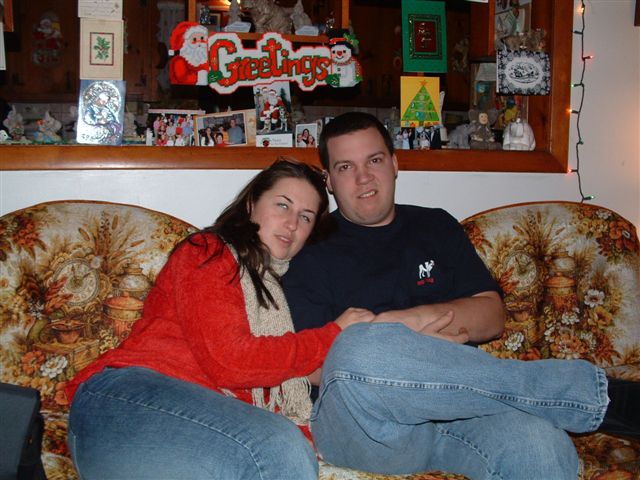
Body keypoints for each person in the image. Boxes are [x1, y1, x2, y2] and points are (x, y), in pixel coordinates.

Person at [282, 111, 640, 479]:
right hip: (371, 431)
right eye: (345, 167)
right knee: (360, 347)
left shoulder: (435, 225)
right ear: (328, 180)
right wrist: (397, 345)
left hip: (461, 414)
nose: (363, 177)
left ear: (394, 163)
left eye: (374, 160)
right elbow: (311, 366)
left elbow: (492, 315)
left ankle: (580, 399)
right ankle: (596, 397)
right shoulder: (309, 248)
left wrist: (407, 324)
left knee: (542, 446)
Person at [65, 159, 375, 479]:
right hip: (125, 404)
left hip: (189, 424)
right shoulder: (208, 252)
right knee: (279, 445)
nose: (292, 223)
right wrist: (332, 333)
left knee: (284, 448)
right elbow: (231, 361)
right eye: (283, 205)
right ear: (252, 204)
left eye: (306, 216)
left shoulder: (277, 292)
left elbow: (277, 372)